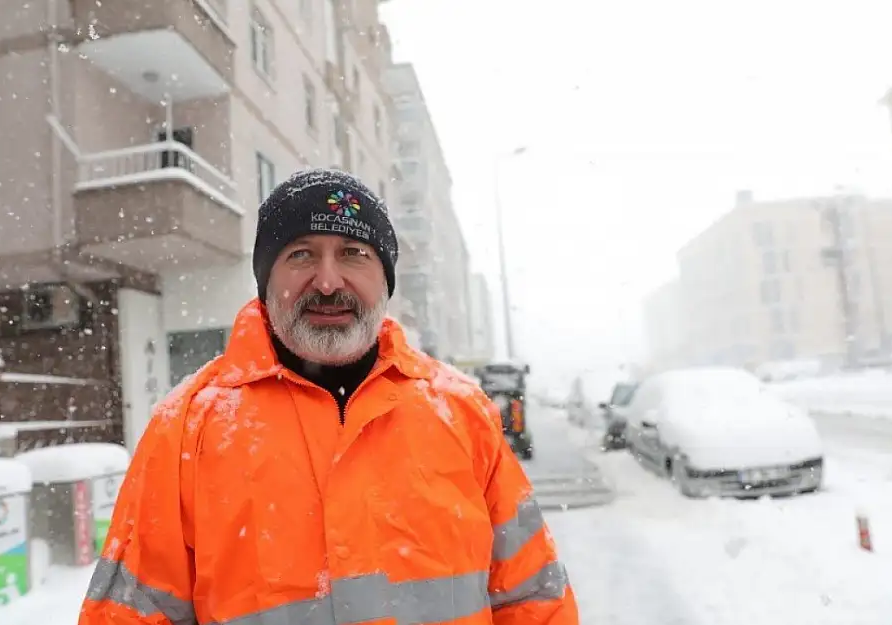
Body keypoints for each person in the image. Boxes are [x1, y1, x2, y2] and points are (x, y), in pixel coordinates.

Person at [78, 168, 579, 625]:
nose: (327, 281)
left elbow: (533, 599)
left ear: (385, 279)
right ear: (265, 281)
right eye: (300, 254)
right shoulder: (188, 426)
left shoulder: (462, 412)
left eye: (353, 254)